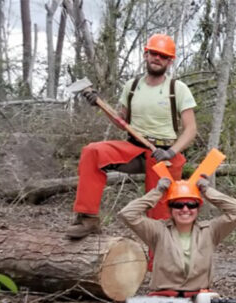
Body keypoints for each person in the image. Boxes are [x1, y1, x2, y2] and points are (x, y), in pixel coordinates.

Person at [94, 175, 236, 303]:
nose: (185, 209)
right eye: (178, 204)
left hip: (199, 296)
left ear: (198, 207)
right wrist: (158, 191)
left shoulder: (211, 231)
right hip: (164, 296)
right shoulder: (157, 231)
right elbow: (127, 214)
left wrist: (207, 190)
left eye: (191, 205)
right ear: (170, 207)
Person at [67, 33, 198, 240]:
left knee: (159, 215)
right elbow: (121, 121)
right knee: (92, 152)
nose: (157, 58)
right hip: (134, 147)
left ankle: (159, 262)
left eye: (163, 56)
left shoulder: (178, 89)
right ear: (146, 55)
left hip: (164, 152)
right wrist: (99, 104)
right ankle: (88, 218)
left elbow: (191, 130)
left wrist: (171, 152)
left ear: (170, 61)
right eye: (154, 53)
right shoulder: (132, 86)